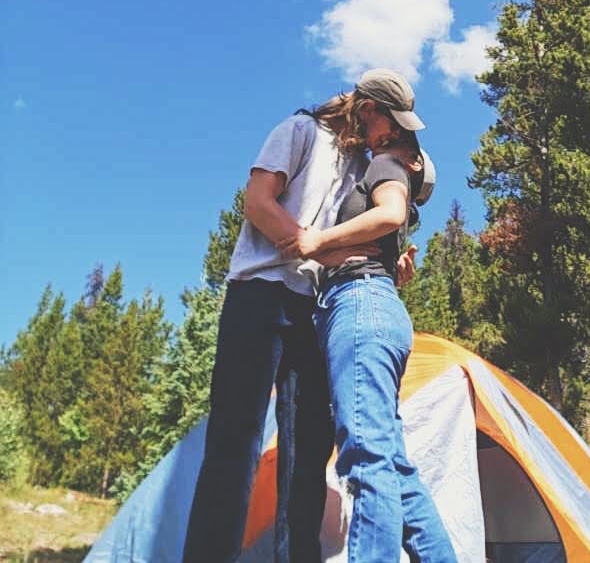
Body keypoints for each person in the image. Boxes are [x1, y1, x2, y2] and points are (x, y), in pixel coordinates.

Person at [181, 69, 426, 563]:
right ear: (367, 107)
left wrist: (382, 259)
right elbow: (257, 202)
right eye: (389, 124)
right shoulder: (297, 132)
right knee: (237, 438)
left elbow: (391, 198)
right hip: (258, 292)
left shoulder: (364, 164)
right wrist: (310, 247)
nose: (391, 135)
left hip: (312, 308)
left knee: (309, 451)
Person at [285, 132, 458, 563]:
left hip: (360, 307)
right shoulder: (381, 199)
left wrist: (315, 241)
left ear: (414, 164)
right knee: (391, 466)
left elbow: (387, 213)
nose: (381, 143)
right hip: (372, 309)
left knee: (367, 458)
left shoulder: (387, 165)